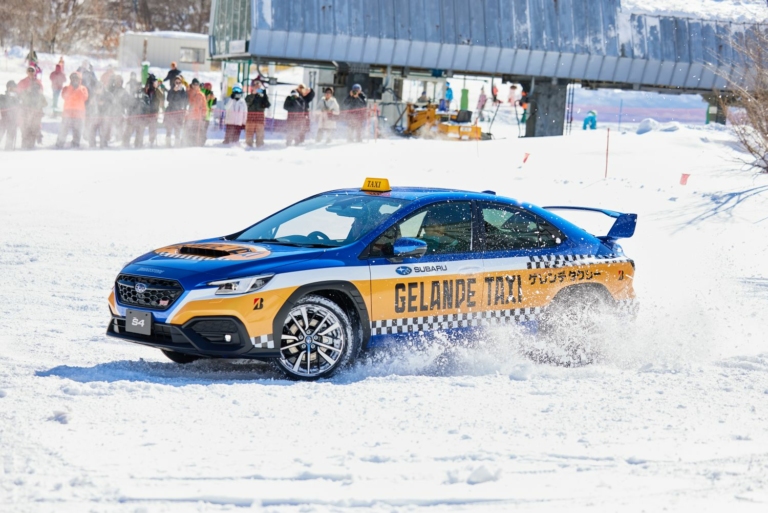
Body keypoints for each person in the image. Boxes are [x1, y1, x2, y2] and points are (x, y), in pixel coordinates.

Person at [56, 72, 88, 149]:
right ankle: (59, 144)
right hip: (67, 112)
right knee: (64, 129)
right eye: (73, 78)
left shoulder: (83, 88)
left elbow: (84, 97)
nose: (75, 80)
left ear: (80, 80)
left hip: (79, 113)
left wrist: (77, 89)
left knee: (77, 131)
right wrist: (71, 88)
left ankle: (75, 144)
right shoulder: (66, 88)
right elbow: (64, 96)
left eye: (77, 78)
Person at [244, 79, 271, 148]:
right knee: (249, 134)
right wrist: (253, 94)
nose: (258, 89)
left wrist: (265, 95)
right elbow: (247, 102)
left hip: (260, 119)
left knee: (260, 134)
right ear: (253, 87)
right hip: (251, 119)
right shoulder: (249, 96)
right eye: (256, 87)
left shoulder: (262, 98)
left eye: (259, 88)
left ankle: (260, 147)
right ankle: (248, 146)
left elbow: (268, 105)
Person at [124, 81, 150, 148]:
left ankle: (138, 145)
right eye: (136, 86)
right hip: (132, 117)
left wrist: (142, 103)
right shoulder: (131, 96)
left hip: (141, 118)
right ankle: (125, 144)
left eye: (139, 86)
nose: (138, 87)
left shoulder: (144, 96)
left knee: (140, 133)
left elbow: (148, 106)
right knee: (129, 132)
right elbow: (128, 106)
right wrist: (129, 115)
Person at [20, 81, 46, 149]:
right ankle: (28, 146)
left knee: (30, 130)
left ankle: (27, 145)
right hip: (30, 116)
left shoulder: (37, 95)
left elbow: (45, 104)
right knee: (30, 130)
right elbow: (45, 104)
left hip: (32, 116)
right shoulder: (31, 95)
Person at [164, 75, 188, 146]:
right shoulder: (171, 90)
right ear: (174, 82)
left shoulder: (183, 91)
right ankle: (168, 144)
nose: (178, 84)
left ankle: (177, 144)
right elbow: (168, 99)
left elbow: (185, 101)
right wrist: (174, 91)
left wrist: (184, 109)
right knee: (169, 129)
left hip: (179, 112)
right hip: (170, 111)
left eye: (179, 82)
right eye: (176, 82)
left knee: (177, 129)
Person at [108, 75, 131, 146]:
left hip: (120, 111)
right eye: (116, 81)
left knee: (120, 125)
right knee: (109, 125)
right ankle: (109, 138)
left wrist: (124, 106)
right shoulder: (111, 89)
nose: (117, 83)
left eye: (119, 81)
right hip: (110, 111)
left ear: (121, 82)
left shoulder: (124, 91)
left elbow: (128, 102)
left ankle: (119, 138)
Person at [185, 79, 208, 146]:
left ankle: (199, 143)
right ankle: (188, 143)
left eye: (197, 84)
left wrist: (204, 115)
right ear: (192, 85)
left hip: (198, 117)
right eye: (194, 84)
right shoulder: (188, 93)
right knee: (188, 130)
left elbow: (204, 106)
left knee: (199, 131)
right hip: (189, 117)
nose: (195, 86)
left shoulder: (201, 95)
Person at [0, 81, 21, 150]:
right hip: (4, 121)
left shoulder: (17, 98)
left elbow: (20, 109)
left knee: (10, 141)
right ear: (8, 88)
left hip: (13, 122)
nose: (13, 89)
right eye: (11, 88)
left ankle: (8, 151)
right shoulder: (2, 97)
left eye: (14, 88)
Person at [145, 74, 164, 146]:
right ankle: (140, 141)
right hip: (146, 111)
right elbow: (144, 94)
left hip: (154, 111)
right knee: (142, 126)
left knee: (153, 126)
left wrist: (157, 87)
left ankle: (152, 141)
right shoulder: (147, 89)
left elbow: (162, 96)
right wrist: (146, 88)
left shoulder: (156, 90)